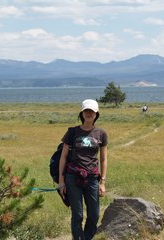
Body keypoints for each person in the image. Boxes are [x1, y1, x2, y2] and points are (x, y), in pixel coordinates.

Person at [58, 99, 108, 240]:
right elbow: (63, 158)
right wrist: (61, 182)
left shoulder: (101, 134)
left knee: (94, 214)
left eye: (91, 111)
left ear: (96, 113)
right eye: (86, 111)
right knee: (77, 214)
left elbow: (103, 159)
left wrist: (102, 182)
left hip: (92, 178)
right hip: (73, 177)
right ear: (82, 113)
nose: (88, 113)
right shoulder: (72, 132)